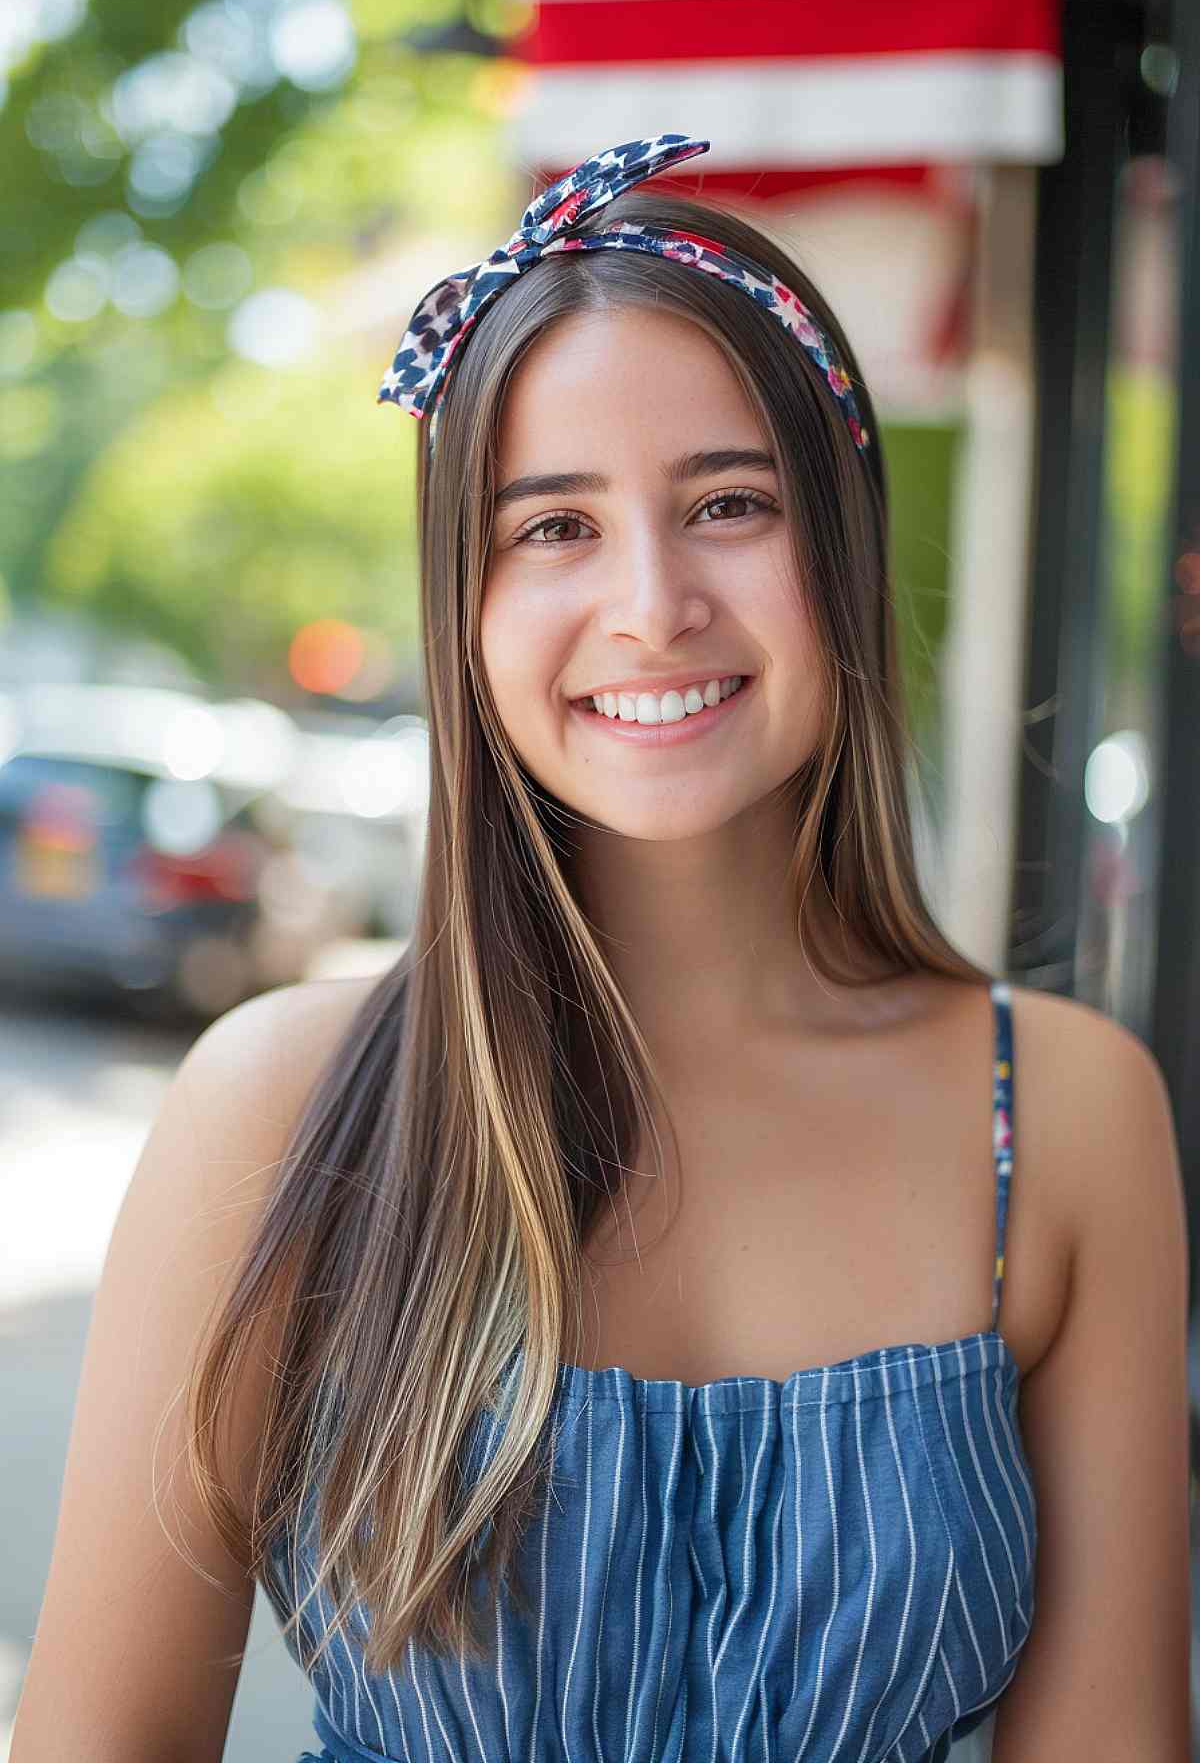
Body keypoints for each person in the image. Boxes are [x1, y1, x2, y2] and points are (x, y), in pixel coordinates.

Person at [11, 135, 1191, 1763]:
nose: (652, 604)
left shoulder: (1060, 1113)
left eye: (728, 504)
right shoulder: (281, 1105)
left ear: (838, 550)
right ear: (464, 608)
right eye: (554, 527)